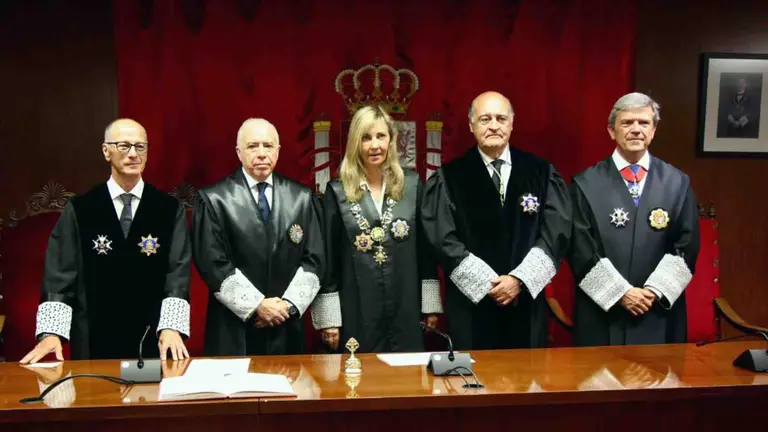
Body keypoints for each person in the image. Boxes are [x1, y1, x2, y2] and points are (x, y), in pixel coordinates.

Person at [20, 119, 191, 363]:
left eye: (140, 147)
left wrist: (171, 326)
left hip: (152, 339)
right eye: (124, 146)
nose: (133, 154)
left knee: (147, 396)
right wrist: (52, 333)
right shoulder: (81, 208)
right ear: (105, 151)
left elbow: (178, 273)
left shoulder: (167, 208)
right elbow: (60, 274)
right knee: (97, 397)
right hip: (93, 338)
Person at [421, 91, 572, 350]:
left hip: (526, 303)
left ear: (512, 123)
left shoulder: (542, 173)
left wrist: (519, 280)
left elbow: (556, 233)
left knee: (525, 381)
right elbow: (442, 239)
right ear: (471, 125)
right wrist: (488, 285)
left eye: (501, 118)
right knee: (473, 384)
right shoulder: (449, 177)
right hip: (471, 307)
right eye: (485, 119)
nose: (493, 125)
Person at [568, 92, 700, 346]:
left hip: (658, 312)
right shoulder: (584, 184)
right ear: (611, 130)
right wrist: (621, 293)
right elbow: (579, 248)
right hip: (602, 315)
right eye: (627, 123)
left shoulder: (678, 183)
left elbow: (687, 244)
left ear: (654, 130)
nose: (636, 130)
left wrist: (652, 292)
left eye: (643, 123)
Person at [311, 105, 442, 353]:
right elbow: (327, 258)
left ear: (391, 140)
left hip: (406, 305)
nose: (374, 145)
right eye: (366, 137)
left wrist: (430, 305)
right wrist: (330, 320)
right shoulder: (337, 191)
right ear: (354, 143)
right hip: (356, 310)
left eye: (381, 136)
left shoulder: (412, 185)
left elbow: (426, 251)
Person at [191, 118, 323, 356]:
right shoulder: (213, 199)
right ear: (239, 152)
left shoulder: (302, 198)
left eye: (268, 146)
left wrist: (286, 306)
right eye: (253, 146)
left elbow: (314, 259)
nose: (262, 153)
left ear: (278, 151)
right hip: (234, 329)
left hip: (286, 326)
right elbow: (212, 263)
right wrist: (257, 306)